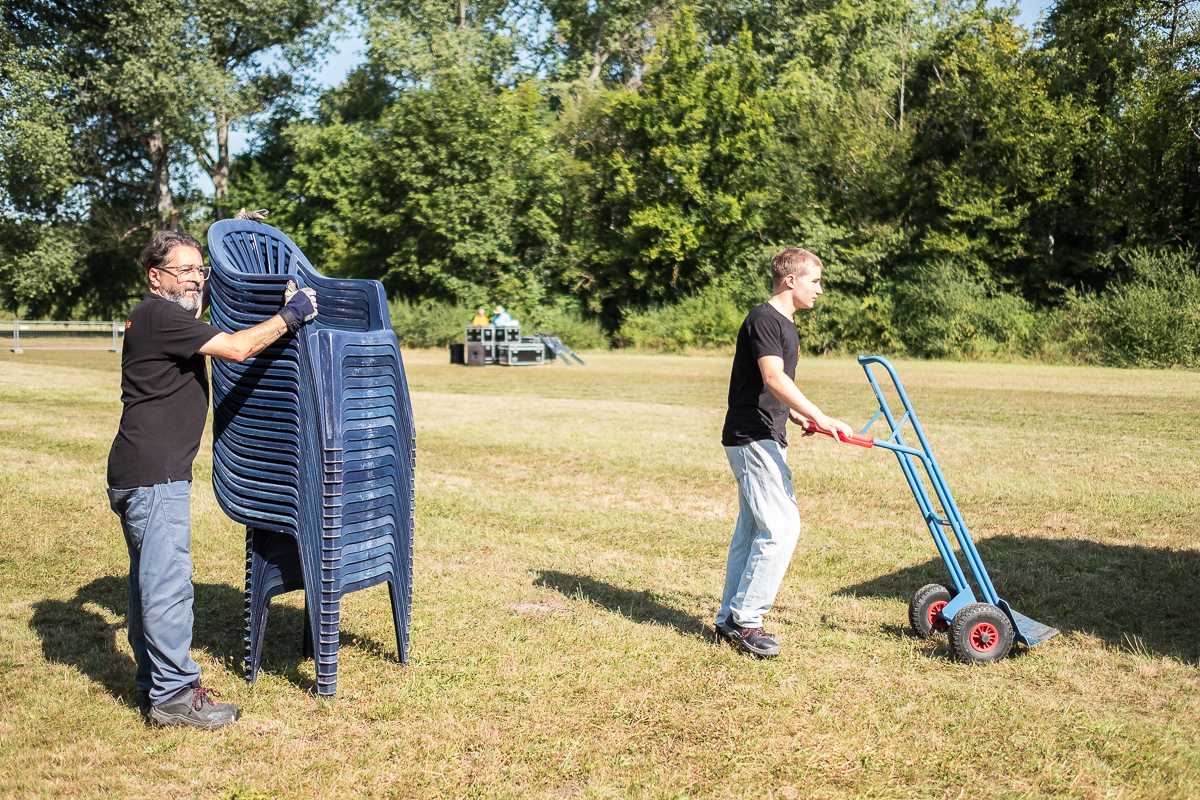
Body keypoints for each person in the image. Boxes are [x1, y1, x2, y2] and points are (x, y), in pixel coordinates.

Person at [106, 230, 318, 728]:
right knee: (168, 588)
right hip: (154, 475)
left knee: (147, 587)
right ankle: (176, 697)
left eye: (201, 270)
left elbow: (210, 315)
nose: (196, 279)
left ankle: (154, 685)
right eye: (184, 270)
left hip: (139, 471)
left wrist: (235, 234)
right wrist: (293, 312)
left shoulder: (159, 316)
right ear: (156, 277)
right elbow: (241, 348)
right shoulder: (161, 315)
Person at [715, 247, 854, 658]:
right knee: (781, 528)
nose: (820, 289)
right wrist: (822, 415)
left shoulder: (785, 325)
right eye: (815, 280)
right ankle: (747, 620)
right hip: (752, 436)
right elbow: (772, 376)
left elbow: (772, 388)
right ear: (790, 280)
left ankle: (730, 618)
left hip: (764, 433)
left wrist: (797, 416)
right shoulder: (764, 319)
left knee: (754, 530)